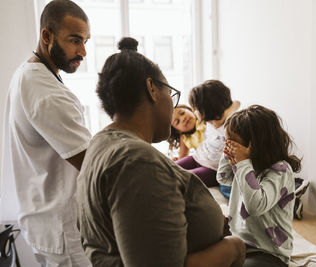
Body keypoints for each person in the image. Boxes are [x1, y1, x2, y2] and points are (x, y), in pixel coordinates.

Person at [76, 37, 245, 267]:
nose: (174, 107)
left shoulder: (100, 143)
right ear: (152, 89)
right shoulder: (136, 162)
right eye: (171, 94)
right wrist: (233, 248)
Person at [0, 0, 92, 266]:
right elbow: (89, 162)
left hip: (47, 221)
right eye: (75, 40)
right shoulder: (43, 89)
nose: (83, 51)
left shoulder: (30, 73)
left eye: (86, 41)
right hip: (62, 228)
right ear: (46, 35)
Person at [217, 105, 302, 267]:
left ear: (254, 144)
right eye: (226, 140)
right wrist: (228, 154)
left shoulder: (280, 170)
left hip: (268, 251)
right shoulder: (246, 165)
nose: (228, 145)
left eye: (232, 142)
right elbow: (223, 177)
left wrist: (242, 163)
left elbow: (255, 206)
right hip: (238, 242)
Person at [175, 80, 240, 188]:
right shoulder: (209, 121)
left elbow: (236, 104)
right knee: (167, 168)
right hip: (197, 157)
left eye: (195, 109)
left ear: (207, 110)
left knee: (183, 179)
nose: (194, 112)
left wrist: (222, 118)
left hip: (212, 169)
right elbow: (236, 103)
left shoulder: (231, 125)